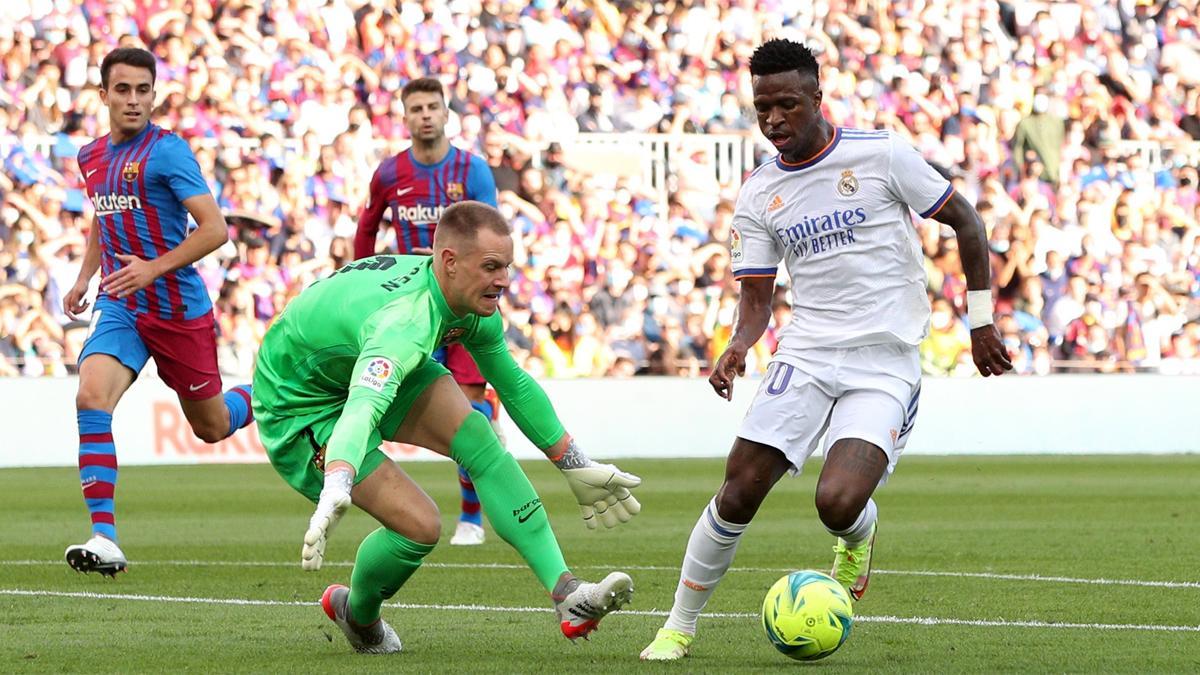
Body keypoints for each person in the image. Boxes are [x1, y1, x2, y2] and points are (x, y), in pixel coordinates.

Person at [640, 39, 1013, 661]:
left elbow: (967, 223)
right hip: (807, 353)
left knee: (837, 502)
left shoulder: (882, 155)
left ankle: (856, 535)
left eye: (787, 104)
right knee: (738, 490)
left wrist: (980, 323)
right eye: (762, 108)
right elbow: (757, 299)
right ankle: (677, 627)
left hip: (883, 360)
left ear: (817, 97)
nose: (774, 120)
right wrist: (737, 346)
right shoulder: (760, 193)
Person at [253, 201, 641, 653]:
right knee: (420, 526)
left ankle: (568, 595)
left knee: (479, 435)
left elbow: (512, 382)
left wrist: (574, 463)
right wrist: (338, 479)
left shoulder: (467, 301)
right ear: (449, 262)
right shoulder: (404, 325)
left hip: (348, 364)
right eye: (491, 267)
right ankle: (356, 616)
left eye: (507, 267)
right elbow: (361, 408)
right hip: (299, 403)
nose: (504, 280)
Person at [61, 47, 255, 577]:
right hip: (121, 302)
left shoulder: (168, 152)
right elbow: (104, 219)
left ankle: (272, 390)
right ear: (103, 95)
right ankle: (104, 536)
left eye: (143, 90)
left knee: (212, 427)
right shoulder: (91, 156)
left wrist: (153, 267)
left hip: (177, 309)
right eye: (122, 90)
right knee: (90, 395)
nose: (133, 100)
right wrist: (84, 277)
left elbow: (215, 229)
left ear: (154, 94)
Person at [355, 77, 501, 546]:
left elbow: (492, 236)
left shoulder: (472, 170)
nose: (424, 115)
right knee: (380, 403)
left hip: (462, 309)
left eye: (432, 107)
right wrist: (364, 280)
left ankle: (472, 519)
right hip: (413, 307)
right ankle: (387, 501)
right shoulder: (390, 174)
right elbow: (366, 228)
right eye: (415, 107)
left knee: (470, 409)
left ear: (445, 114)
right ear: (406, 116)